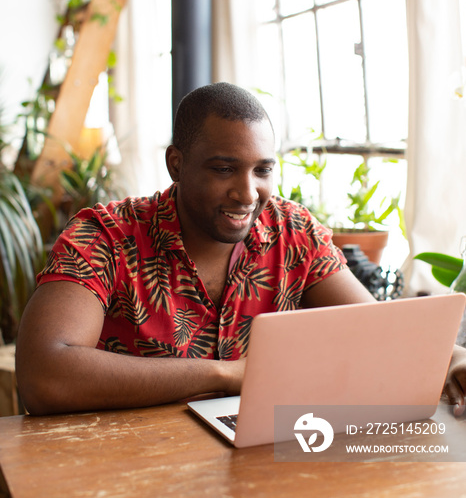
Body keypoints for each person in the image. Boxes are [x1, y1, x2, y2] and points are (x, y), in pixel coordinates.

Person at [15, 82, 466, 416]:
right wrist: (227, 374)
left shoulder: (292, 231)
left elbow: (377, 331)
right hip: (122, 473)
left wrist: (454, 358)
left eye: (263, 170)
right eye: (224, 168)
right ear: (177, 164)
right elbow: (44, 376)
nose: (247, 193)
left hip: (256, 464)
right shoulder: (106, 236)